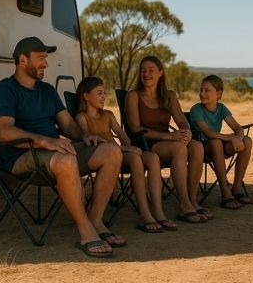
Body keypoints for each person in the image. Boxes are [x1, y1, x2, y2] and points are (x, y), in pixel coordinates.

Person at [0, 37, 125, 257]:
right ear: (22, 60)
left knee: (112, 151)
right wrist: (45, 141)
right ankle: (86, 231)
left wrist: (85, 135)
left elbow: (68, 125)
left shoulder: (47, 91)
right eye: (40, 58)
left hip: (55, 153)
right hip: (21, 156)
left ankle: (96, 220)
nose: (46, 63)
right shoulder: (4, 90)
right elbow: (4, 131)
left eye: (46, 58)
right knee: (66, 160)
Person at [74, 77, 179, 233]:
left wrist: (128, 146)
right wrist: (123, 149)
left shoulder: (108, 115)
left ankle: (158, 211)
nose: (104, 97)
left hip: (120, 152)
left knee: (152, 158)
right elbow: (88, 140)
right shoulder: (82, 117)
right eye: (99, 93)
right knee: (136, 159)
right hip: (103, 156)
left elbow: (123, 136)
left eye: (104, 93)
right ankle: (144, 214)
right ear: (86, 96)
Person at [125, 56, 210, 223]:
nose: (146, 74)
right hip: (146, 143)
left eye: (151, 70)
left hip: (168, 140)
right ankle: (184, 204)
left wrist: (186, 131)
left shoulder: (169, 96)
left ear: (160, 73)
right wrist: (170, 136)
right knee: (179, 148)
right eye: (143, 70)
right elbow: (135, 129)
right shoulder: (133, 96)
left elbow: (182, 121)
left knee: (197, 147)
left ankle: (192, 200)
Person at [189, 75, 253, 210]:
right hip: (201, 148)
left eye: (207, 90)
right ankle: (225, 192)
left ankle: (236, 187)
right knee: (215, 142)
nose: (202, 93)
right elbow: (208, 133)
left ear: (218, 94)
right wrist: (231, 138)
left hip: (218, 145)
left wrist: (238, 138)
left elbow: (237, 128)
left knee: (247, 141)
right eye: (201, 90)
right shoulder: (196, 109)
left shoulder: (221, 108)